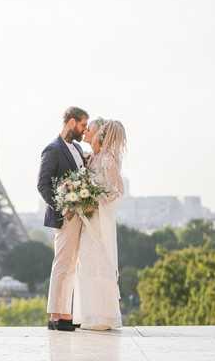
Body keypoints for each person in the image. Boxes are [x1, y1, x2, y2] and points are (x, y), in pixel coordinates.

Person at [37, 106, 89, 331]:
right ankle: (56, 316)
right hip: (65, 216)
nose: (84, 130)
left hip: (79, 215)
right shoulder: (53, 149)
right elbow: (43, 184)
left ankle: (64, 312)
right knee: (62, 264)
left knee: (70, 267)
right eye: (82, 125)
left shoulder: (77, 148)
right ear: (70, 122)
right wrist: (62, 208)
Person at [71, 119, 126, 330]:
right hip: (89, 220)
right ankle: (90, 315)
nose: (87, 133)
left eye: (91, 131)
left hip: (97, 218)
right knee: (86, 263)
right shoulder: (93, 158)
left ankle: (102, 317)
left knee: (99, 264)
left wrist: (95, 201)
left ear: (99, 136)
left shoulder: (107, 159)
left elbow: (117, 190)